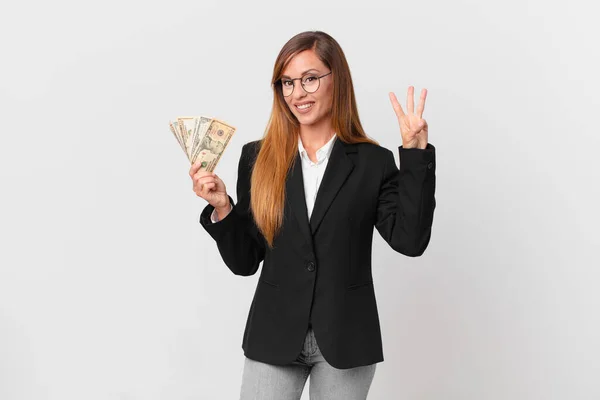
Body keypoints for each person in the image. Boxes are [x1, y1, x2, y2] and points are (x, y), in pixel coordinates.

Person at [189, 30, 436, 400]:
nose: (297, 93)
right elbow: (245, 261)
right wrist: (223, 208)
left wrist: (415, 156)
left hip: (346, 338)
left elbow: (410, 240)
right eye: (287, 83)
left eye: (309, 78)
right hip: (274, 334)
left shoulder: (373, 162)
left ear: (336, 79)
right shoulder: (257, 158)